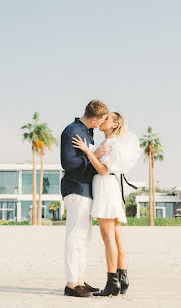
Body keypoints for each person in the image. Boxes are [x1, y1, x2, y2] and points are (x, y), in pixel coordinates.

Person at [72, 112, 141, 297]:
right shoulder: (112, 142)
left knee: (108, 236)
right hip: (110, 186)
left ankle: (112, 282)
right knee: (116, 234)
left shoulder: (111, 144)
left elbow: (102, 170)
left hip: (105, 186)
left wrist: (87, 151)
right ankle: (122, 276)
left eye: (107, 118)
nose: (103, 121)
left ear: (115, 124)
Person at [60, 100, 110, 297]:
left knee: (84, 237)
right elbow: (67, 163)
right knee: (75, 237)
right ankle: (71, 283)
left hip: (86, 190)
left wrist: (92, 155)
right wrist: (93, 154)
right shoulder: (72, 131)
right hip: (75, 189)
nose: (103, 124)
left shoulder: (88, 132)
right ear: (95, 118)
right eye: (102, 120)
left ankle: (79, 280)